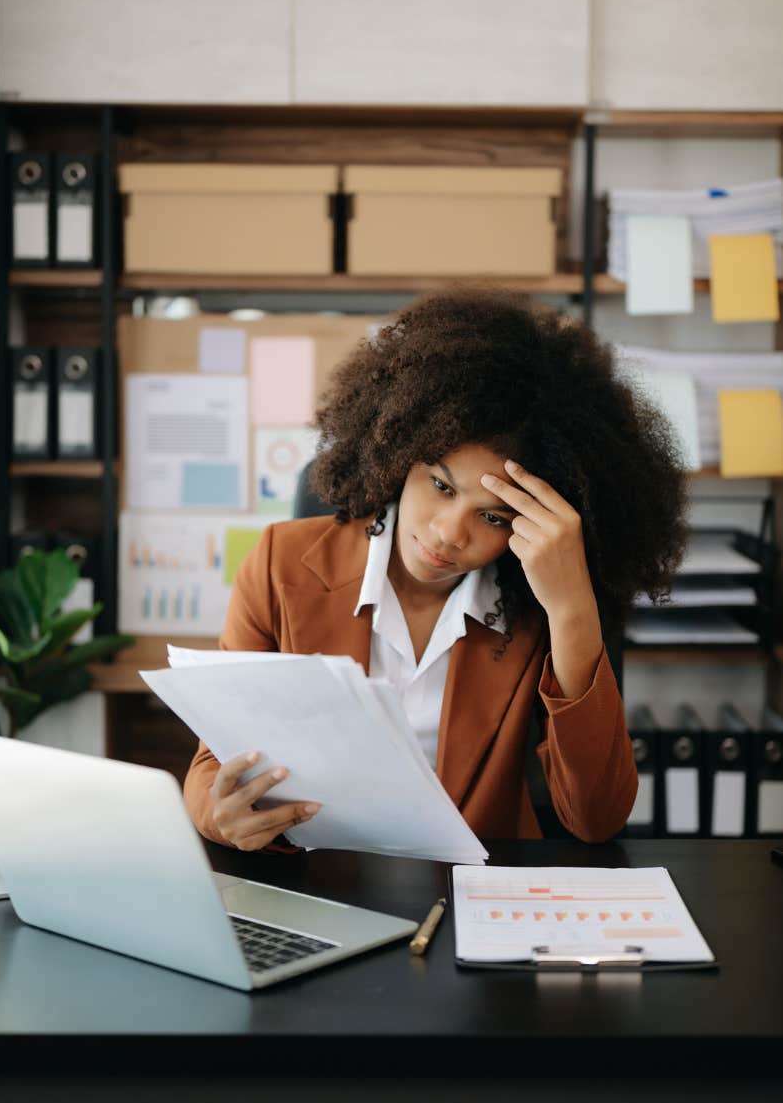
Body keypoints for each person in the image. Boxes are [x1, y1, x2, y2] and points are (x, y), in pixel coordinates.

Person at [184, 287, 687, 850]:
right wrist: (217, 815)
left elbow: (596, 820)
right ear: (399, 456)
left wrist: (572, 610)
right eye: (440, 486)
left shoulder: (537, 606)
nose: (450, 532)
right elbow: (212, 765)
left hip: (469, 900)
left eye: (493, 516)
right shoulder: (282, 564)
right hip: (319, 879)